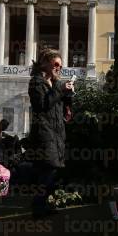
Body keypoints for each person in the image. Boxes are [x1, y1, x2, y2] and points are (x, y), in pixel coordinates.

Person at [27, 49, 74, 218]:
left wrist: (68, 98)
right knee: (48, 169)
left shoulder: (54, 83)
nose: (58, 68)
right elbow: (42, 104)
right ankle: (38, 206)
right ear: (44, 63)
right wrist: (60, 88)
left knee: (50, 171)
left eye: (60, 66)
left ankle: (44, 204)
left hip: (56, 132)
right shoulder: (36, 83)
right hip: (43, 133)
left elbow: (57, 106)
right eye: (55, 64)